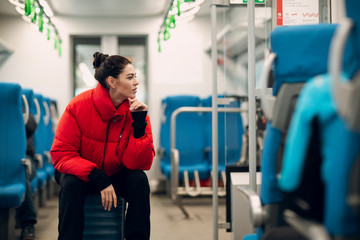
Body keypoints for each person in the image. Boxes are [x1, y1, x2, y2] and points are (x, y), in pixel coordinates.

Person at [50, 52, 155, 240]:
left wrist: (139, 126)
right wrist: (97, 176)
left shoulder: (137, 112)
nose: (136, 82)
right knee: (71, 185)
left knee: (139, 181)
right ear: (112, 81)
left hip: (114, 172)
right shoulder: (78, 106)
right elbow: (61, 155)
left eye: (135, 77)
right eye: (130, 77)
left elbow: (138, 163)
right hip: (82, 175)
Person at [17, 113, 38, 240]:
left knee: (21, 171)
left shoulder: (19, 105)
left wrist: (17, 105)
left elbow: (31, 126)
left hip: (26, 159)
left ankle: (28, 223)